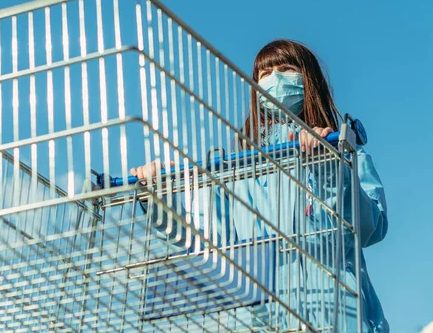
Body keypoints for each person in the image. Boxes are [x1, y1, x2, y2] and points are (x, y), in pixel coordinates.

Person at [131, 39, 389, 332]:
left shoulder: (343, 152)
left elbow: (368, 228)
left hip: (335, 316)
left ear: (310, 81)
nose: (275, 79)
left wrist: (328, 165)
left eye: (287, 68)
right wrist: (159, 197)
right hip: (258, 320)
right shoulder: (235, 169)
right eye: (264, 75)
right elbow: (206, 242)